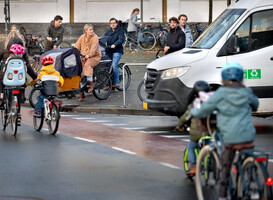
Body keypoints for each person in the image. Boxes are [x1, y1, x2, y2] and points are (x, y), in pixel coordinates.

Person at [190, 62, 259, 200]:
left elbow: (204, 110)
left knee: (225, 167)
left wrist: (194, 111)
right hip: (248, 135)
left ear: (223, 78)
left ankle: (222, 196)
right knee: (248, 156)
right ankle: (253, 184)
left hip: (229, 137)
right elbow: (255, 105)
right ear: (241, 77)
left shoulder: (221, 93)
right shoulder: (247, 91)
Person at [175, 80, 211, 176]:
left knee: (191, 147)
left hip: (196, 132)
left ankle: (194, 166)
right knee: (210, 144)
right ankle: (212, 160)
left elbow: (185, 118)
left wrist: (179, 126)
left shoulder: (193, 106)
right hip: (209, 131)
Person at [0, 31, 37, 102]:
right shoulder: (23, 51)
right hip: (20, 78)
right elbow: (28, 66)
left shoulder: (4, 49)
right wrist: (35, 77)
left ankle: (1, 96)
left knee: (1, 79)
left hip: (6, 76)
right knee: (23, 79)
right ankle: (22, 96)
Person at [75, 24, 101, 102]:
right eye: (90, 30)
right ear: (85, 30)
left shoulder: (95, 37)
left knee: (87, 65)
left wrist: (88, 55)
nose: (92, 31)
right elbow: (76, 46)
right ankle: (81, 93)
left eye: (92, 29)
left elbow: (93, 50)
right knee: (78, 71)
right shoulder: (82, 37)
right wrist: (74, 52)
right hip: (83, 57)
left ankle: (92, 84)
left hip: (94, 57)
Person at [104, 18, 125, 89]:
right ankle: (109, 83)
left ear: (117, 23)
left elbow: (121, 39)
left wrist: (115, 44)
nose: (112, 24)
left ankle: (116, 82)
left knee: (114, 65)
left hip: (117, 51)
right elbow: (103, 39)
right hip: (109, 51)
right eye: (111, 23)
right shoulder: (108, 31)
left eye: (114, 23)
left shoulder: (120, 31)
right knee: (106, 66)